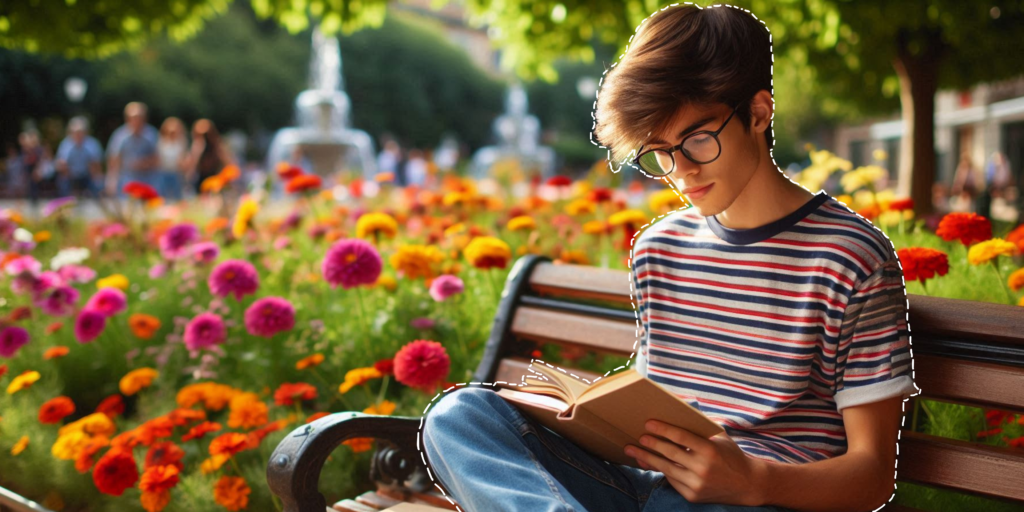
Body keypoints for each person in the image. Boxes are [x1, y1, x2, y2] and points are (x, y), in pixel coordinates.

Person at [423, 5, 918, 512]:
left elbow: (873, 474)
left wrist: (753, 482)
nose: (681, 172)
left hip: (750, 498)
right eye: (659, 151)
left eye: (698, 140)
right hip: (641, 479)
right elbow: (659, 398)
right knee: (460, 417)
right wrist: (586, 417)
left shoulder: (849, 256)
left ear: (759, 112)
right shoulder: (658, 247)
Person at [105, 102, 160, 197]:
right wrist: (111, 181)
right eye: (134, 117)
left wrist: (142, 164)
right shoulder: (119, 136)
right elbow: (113, 160)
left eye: (140, 117)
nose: (137, 121)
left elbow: (158, 159)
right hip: (126, 182)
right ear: (127, 118)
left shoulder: (152, 135)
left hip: (148, 181)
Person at [54, 116, 104, 199]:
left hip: (87, 175)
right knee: (62, 183)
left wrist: (95, 176)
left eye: (81, 132)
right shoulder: (65, 144)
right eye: (76, 132)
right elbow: (60, 164)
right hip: (70, 176)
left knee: (98, 184)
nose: (78, 135)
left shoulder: (92, 144)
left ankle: (96, 207)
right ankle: (66, 204)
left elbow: (97, 166)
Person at [184, 119, 234, 195]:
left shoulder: (217, 146)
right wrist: (197, 152)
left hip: (216, 179)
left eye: (206, 134)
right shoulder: (196, 148)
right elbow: (190, 173)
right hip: (201, 181)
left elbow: (229, 164)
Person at [156, 117, 189, 202]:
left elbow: (182, 158)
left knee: (177, 197)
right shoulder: (161, 142)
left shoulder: (181, 142)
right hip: (163, 172)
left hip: (176, 173)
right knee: (163, 196)